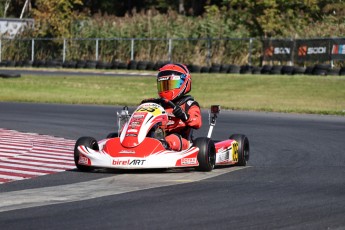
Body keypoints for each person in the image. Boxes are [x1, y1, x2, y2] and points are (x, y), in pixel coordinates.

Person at [142, 63, 202, 151]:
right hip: (157, 135)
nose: (166, 89)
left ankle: (163, 145)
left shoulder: (188, 104)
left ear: (183, 82)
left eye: (170, 85)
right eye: (164, 85)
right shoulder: (157, 104)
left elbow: (197, 122)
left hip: (181, 139)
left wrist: (183, 115)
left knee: (173, 139)